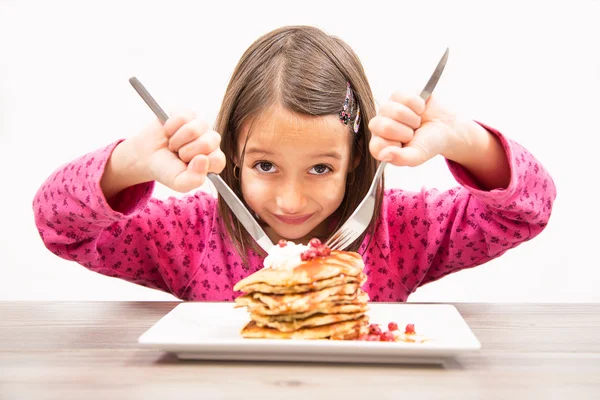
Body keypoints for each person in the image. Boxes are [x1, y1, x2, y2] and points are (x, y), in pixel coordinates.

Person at [32, 25, 556, 302]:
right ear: (233, 154)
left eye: (320, 169)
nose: (290, 200)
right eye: (265, 166)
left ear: (355, 162)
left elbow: (524, 211)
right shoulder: (188, 236)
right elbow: (61, 230)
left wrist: (465, 141)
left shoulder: (401, 230)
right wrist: (125, 165)